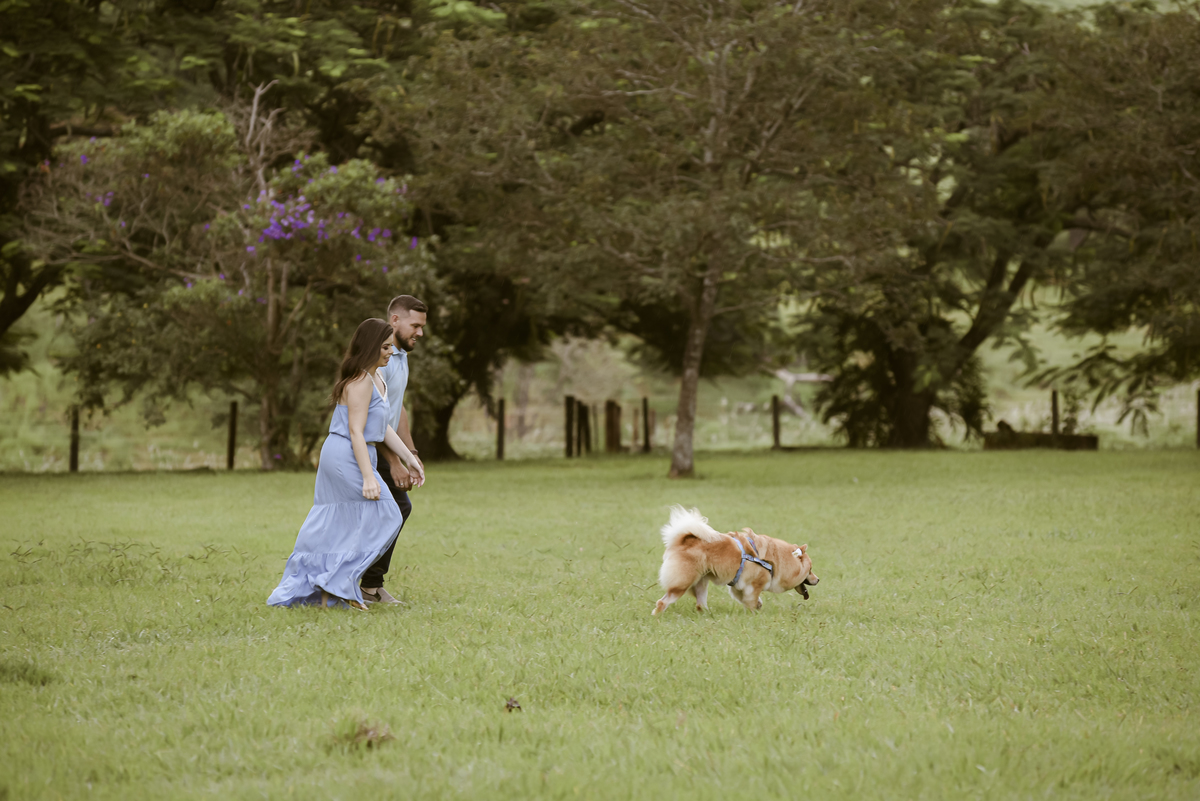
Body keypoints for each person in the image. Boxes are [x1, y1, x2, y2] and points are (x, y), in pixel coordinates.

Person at [267, 318, 425, 610]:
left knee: (358, 519)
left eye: (391, 346)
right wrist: (369, 477)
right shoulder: (360, 382)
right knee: (386, 513)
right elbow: (355, 431)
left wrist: (409, 458)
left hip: (359, 451)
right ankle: (343, 585)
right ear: (370, 348)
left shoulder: (378, 379)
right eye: (386, 347)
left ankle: (336, 588)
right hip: (344, 454)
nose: (391, 352)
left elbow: (384, 427)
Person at [359, 295, 427, 605]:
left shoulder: (400, 357)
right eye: (415, 325)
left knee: (394, 511)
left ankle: (370, 585)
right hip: (370, 448)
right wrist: (395, 463)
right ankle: (365, 585)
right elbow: (374, 420)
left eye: (422, 327)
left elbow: (397, 410)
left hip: (387, 445)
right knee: (395, 510)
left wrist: (410, 453)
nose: (420, 333)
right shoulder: (379, 361)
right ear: (395, 321)